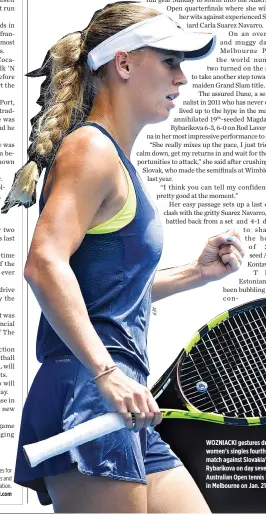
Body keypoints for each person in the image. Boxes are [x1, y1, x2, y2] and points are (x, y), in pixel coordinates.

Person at [5, 2, 245, 512]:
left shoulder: (111, 158)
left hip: (125, 398)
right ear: (125, 63)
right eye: (170, 61)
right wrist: (105, 372)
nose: (182, 79)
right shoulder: (91, 150)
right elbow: (43, 263)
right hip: (89, 389)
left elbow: (103, 288)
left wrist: (193, 275)